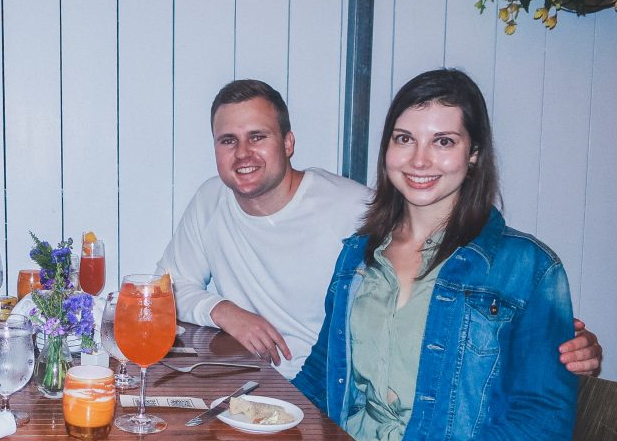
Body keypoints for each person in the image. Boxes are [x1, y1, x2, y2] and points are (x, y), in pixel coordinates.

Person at [221, 69, 579, 441]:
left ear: (474, 154)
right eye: (405, 138)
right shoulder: (358, 257)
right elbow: (323, 378)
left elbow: (543, 421)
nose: (419, 160)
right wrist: (249, 418)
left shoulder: (527, 267)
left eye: (444, 141)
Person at [158, 79, 602, 382]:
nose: (242, 153)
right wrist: (224, 310)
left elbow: (452, 315)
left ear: (288, 143)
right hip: (277, 395)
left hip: (332, 400)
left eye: (258, 136)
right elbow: (165, 288)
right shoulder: (210, 200)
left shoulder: (359, 213)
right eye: (227, 140)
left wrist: (558, 342)